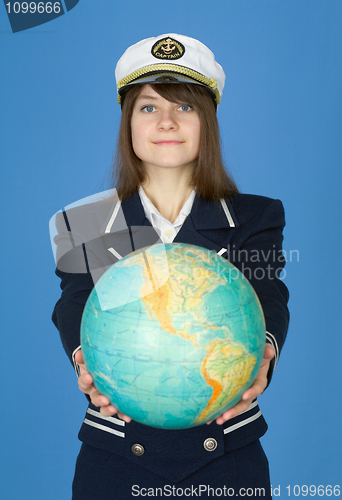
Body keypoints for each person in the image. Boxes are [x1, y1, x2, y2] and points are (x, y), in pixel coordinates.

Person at [50, 33, 289, 499]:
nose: (166, 122)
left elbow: (267, 292)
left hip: (227, 456)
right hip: (116, 458)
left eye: (184, 107)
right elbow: (75, 300)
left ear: (208, 121)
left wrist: (264, 352)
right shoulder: (84, 222)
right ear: (128, 122)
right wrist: (84, 358)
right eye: (147, 107)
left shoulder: (256, 216)